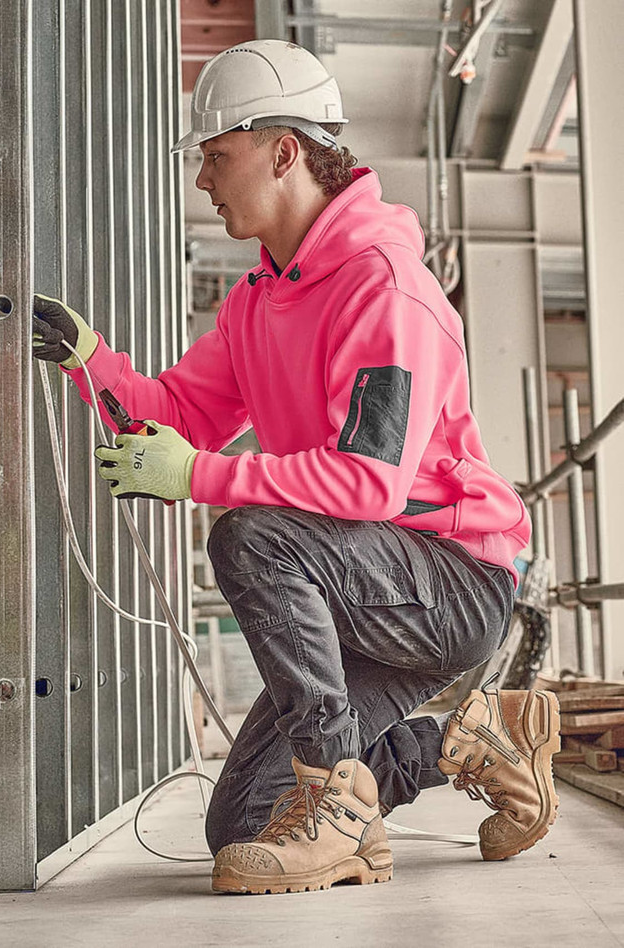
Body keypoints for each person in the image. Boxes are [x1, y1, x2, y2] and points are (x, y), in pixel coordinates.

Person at [33, 39, 561, 896]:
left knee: (254, 534)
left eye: (215, 155)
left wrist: (201, 477)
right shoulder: (259, 302)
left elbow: (368, 483)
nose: (201, 178)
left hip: (450, 584)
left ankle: (335, 807)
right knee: (241, 826)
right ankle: (476, 739)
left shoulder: (383, 291)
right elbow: (185, 414)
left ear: (284, 151)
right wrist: (90, 358)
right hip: (353, 585)